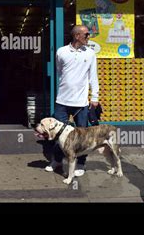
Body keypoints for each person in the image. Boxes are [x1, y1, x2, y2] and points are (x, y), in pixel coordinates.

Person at [45, 25, 99, 177]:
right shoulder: (61, 52)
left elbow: (93, 76)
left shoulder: (90, 53)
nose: (88, 37)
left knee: (82, 136)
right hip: (62, 100)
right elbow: (60, 70)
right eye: (86, 35)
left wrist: (95, 97)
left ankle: (81, 163)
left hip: (81, 103)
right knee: (58, 134)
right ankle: (57, 160)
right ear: (77, 36)